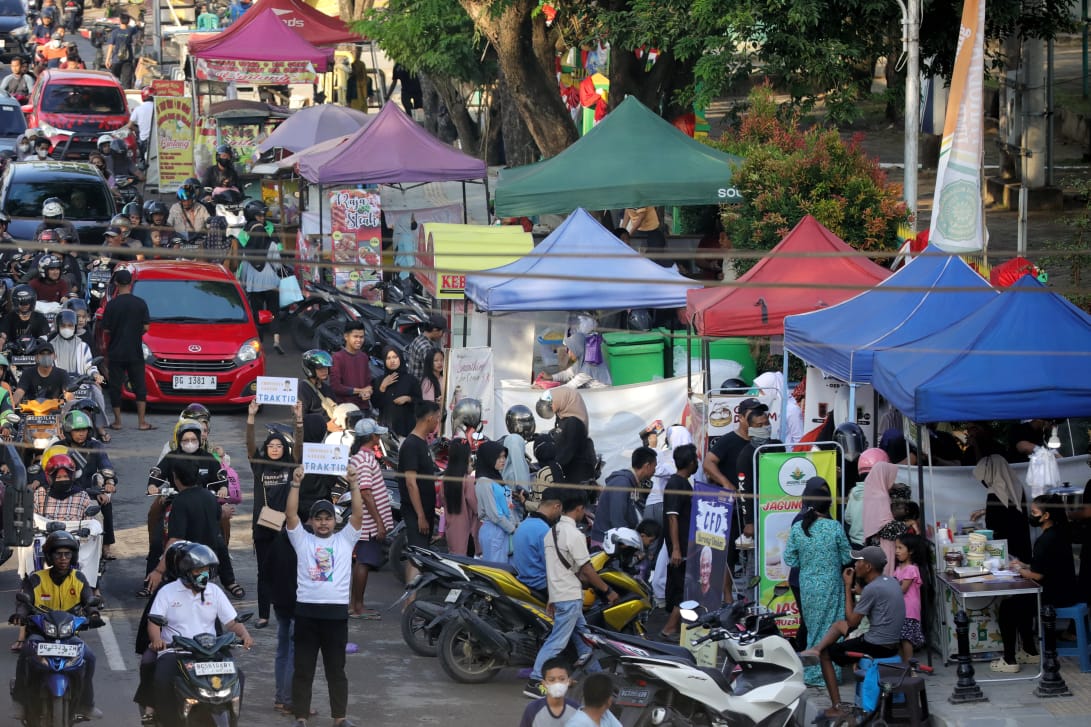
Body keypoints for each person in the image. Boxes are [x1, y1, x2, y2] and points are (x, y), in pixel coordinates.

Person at [284, 459, 363, 727]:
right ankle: (301, 718)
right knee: (303, 670)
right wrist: (296, 483)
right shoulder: (302, 539)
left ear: (334, 520)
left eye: (328, 518)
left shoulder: (345, 539)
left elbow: (358, 515)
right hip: (306, 614)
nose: (323, 523)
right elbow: (291, 515)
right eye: (318, 518)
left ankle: (339, 718)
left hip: (335, 616)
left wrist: (354, 484)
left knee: (336, 672)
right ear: (312, 521)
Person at [146, 544, 253, 727]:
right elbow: (154, 623)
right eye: (199, 570)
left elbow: (232, 621)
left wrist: (245, 635)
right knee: (162, 678)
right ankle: (168, 721)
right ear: (186, 571)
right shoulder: (167, 591)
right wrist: (157, 640)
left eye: (207, 569)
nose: (204, 574)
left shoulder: (214, 591)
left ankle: (233, 721)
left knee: (238, 677)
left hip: (211, 651)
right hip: (177, 651)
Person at [525, 491, 617, 698]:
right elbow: (586, 569)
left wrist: (552, 597)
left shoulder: (551, 532)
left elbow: (552, 568)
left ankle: (598, 680)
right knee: (557, 641)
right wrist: (607, 590)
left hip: (559, 594)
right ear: (579, 509)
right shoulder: (574, 535)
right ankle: (535, 680)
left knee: (584, 639)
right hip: (569, 596)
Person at [799, 546, 905, 720]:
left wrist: (847, 587)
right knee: (838, 625)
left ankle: (837, 706)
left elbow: (852, 620)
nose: (855, 565)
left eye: (859, 561)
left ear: (868, 567)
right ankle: (816, 648)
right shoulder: (890, 581)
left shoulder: (873, 588)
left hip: (877, 646)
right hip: (889, 643)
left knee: (828, 653)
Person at [10, 531, 102, 722]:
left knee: (90, 658)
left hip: (69, 635)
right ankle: (19, 700)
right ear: (50, 556)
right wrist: (20, 614)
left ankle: (87, 703)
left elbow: (89, 599)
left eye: (67, 554)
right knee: (26, 653)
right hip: (41, 634)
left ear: (73, 556)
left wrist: (93, 613)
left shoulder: (79, 578)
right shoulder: (37, 578)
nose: (63, 558)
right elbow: (24, 599)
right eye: (58, 554)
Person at [993, 494, 1077, 673]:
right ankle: (1029, 650)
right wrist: (1024, 565)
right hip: (1065, 591)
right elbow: (1046, 567)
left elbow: (1037, 575)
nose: (1031, 515)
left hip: (1053, 597)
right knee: (1020, 601)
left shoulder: (1045, 540)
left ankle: (1009, 660)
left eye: (1034, 512)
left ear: (1046, 516)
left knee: (1008, 608)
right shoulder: (1059, 533)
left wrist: (1018, 570)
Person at [783, 477, 851, 686]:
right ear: (827, 505)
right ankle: (830, 673)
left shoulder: (798, 528)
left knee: (813, 627)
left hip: (808, 585)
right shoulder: (834, 527)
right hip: (831, 584)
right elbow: (847, 557)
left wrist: (808, 562)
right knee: (832, 628)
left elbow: (789, 559)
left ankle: (813, 674)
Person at [247, 399, 303, 629]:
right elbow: (249, 444)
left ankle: (288, 612)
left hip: (286, 527)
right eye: (271, 446)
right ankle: (263, 615)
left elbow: (299, 445)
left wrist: (298, 419)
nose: (275, 449)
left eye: (279, 446)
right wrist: (251, 416)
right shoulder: (259, 465)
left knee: (289, 572)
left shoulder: (291, 466)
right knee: (264, 572)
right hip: (263, 527)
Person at [346, 418, 393, 619]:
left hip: (364, 520)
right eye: (377, 434)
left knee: (361, 563)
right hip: (369, 522)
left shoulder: (360, 457)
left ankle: (355, 605)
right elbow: (366, 492)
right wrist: (380, 523)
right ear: (371, 437)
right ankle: (358, 607)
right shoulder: (365, 459)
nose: (379, 437)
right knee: (364, 562)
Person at [101, 268, 154, 430]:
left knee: (115, 387)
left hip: (116, 351)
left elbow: (106, 329)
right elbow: (146, 326)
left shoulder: (111, 305)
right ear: (131, 283)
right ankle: (142, 422)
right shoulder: (140, 303)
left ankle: (117, 422)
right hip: (135, 351)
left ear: (116, 283)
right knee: (139, 386)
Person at [398, 401, 441, 580]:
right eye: (437, 418)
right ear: (430, 418)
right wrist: (421, 516)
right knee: (418, 557)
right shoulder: (411, 445)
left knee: (419, 556)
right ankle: (409, 604)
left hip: (425, 510)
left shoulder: (422, 443)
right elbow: (411, 483)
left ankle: (411, 602)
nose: (438, 422)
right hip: (416, 512)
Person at [660, 443, 699, 639]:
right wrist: (676, 548)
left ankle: (678, 626)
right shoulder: (677, 484)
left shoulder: (682, 483)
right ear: (691, 462)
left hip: (685, 546)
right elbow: (672, 517)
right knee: (682, 588)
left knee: (684, 587)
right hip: (681, 548)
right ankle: (669, 628)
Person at [235, 199, 283, 352]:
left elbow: (242, 267)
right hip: (271, 283)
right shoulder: (272, 244)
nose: (263, 218)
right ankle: (276, 341)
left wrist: (242, 281)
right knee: (274, 312)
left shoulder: (246, 244)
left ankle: (259, 344)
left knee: (257, 313)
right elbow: (277, 264)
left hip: (253, 285)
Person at [591, 446, 656, 547]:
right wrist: (629, 542)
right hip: (606, 543)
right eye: (654, 467)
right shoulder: (622, 483)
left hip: (615, 541)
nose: (654, 471)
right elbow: (617, 518)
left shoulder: (632, 483)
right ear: (647, 466)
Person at [513, 487, 563, 596]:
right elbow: (553, 567)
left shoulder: (523, 524)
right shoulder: (544, 531)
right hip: (541, 585)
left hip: (524, 581)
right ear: (557, 506)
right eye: (561, 510)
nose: (560, 514)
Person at [475, 440, 517, 563]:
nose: (503, 460)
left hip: (506, 529)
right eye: (498, 457)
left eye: (504, 456)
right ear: (489, 458)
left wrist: (515, 525)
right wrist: (513, 529)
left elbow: (508, 505)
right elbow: (494, 514)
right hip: (494, 531)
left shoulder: (497, 478)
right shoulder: (484, 481)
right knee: (497, 572)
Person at [546, 388, 598, 486]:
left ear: (563, 400)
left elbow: (568, 450)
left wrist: (553, 466)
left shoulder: (574, 422)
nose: (550, 405)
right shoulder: (564, 419)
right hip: (569, 472)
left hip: (576, 476)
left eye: (552, 402)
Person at [374, 346, 422, 437]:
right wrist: (383, 387)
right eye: (388, 358)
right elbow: (376, 404)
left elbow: (420, 401)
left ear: (400, 358)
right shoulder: (379, 381)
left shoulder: (411, 380)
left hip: (406, 428)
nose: (392, 361)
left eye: (395, 357)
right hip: (386, 430)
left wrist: (408, 398)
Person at [441, 439, 478, 558]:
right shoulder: (469, 481)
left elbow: (442, 501)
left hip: (452, 531)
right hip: (468, 535)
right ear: (466, 458)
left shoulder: (445, 480)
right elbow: (477, 508)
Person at [845, 448, 888, 549]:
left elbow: (848, 518)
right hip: (874, 546)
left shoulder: (853, 492)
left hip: (854, 544)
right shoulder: (882, 495)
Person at [519, 656, 580, 727]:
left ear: (569, 681)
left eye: (562, 679)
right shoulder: (533, 709)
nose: (557, 683)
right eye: (551, 680)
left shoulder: (577, 710)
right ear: (544, 683)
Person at [894, 533, 927, 661]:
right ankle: (905, 666)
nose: (897, 551)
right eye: (896, 548)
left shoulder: (911, 569)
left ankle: (910, 666)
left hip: (909, 610)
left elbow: (902, 588)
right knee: (902, 638)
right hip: (901, 609)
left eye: (900, 548)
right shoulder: (898, 568)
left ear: (911, 551)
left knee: (907, 639)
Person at [540, 331, 611, 389]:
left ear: (578, 348)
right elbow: (569, 373)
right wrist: (550, 377)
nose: (569, 354)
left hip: (601, 396)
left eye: (570, 350)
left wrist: (546, 390)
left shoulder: (590, 365)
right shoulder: (582, 360)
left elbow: (570, 386)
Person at [330, 321, 372, 411]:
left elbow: (368, 383)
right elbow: (336, 387)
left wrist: (369, 391)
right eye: (355, 336)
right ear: (346, 337)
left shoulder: (364, 357)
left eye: (361, 337)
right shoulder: (337, 358)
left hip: (364, 408)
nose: (359, 340)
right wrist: (360, 391)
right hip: (346, 410)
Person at [12, 339, 67, 406]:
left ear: (55, 356)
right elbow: (19, 392)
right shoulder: (28, 373)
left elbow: (68, 394)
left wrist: (71, 404)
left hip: (56, 413)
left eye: (49, 354)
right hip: (31, 413)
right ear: (36, 358)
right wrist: (11, 407)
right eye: (42, 354)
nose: (46, 356)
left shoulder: (62, 374)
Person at [0, 284, 49, 349]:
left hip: (35, 352)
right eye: (21, 303)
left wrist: (38, 343)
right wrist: (2, 341)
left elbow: (44, 337)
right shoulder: (8, 318)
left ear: (32, 302)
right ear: (15, 302)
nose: (24, 306)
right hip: (13, 353)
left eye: (27, 302)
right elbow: (3, 335)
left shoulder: (40, 318)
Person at [405, 313, 447, 381]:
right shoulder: (427, 348)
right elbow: (433, 372)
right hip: (422, 388)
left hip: (413, 384)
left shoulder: (418, 339)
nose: (442, 335)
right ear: (435, 330)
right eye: (443, 332)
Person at [104, 13, 138, 88]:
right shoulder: (130, 31)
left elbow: (110, 47)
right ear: (128, 21)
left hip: (116, 60)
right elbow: (137, 24)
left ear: (119, 21)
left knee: (114, 81)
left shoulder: (114, 32)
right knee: (127, 82)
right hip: (127, 60)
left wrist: (107, 60)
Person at [127, 87, 155, 164]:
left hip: (144, 140)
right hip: (157, 141)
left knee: (143, 163)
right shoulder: (159, 108)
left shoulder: (138, 109)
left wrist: (138, 130)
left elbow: (129, 126)